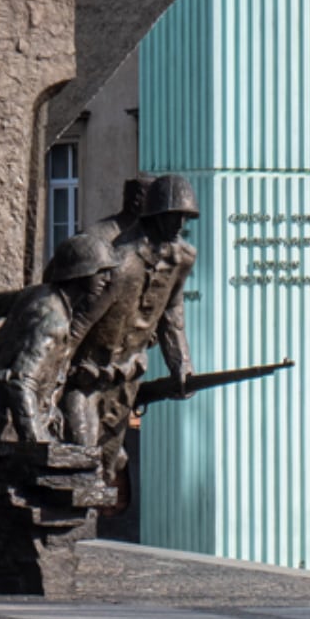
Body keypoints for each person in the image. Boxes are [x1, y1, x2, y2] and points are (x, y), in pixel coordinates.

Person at [61, 174, 198, 482]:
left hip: (126, 376)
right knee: (80, 456)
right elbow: (81, 319)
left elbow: (172, 313)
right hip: (87, 372)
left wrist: (181, 366)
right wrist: (56, 370)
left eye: (184, 217)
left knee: (108, 466)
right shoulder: (119, 259)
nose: (178, 224)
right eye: (172, 216)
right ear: (155, 214)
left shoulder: (183, 258)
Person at [0, 232, 120, 443]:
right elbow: (21, 384)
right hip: (3, 432)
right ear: (82, 272)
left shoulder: (40, 294)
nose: (107, 280)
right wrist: (38, 442)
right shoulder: (53, 322)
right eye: (102, 272)